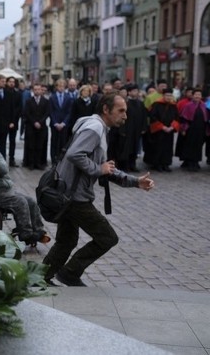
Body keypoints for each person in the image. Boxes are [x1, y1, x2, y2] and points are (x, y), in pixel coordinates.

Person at [43, 92, 155, 287]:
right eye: (121, 111)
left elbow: (106, 167)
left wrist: (135, 181)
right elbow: (74, 154)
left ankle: (40, 277)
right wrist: (97, 169)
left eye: (126, 111)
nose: (125, 116)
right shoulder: (95, 127)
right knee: (107, 237)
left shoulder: (98, 127)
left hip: (68, 193)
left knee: (67, 240)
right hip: (74, 196)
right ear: (106, 109)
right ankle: (69, 273)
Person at [147, 88, 179, 172]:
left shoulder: (173, 105)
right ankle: (157, 164)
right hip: (159, 131)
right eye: (167, 95)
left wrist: (172, 127)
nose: (168, 97)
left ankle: (166, 164)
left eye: (170, 95)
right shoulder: (156, 104)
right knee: (158, 147)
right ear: (163, 95)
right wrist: (162, 127)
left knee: (168, 148)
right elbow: (153, 117)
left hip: (169, 131)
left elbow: (177, 117)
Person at [179, 89, 210, 171]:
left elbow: (206, 118)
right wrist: (184, 129)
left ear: (201, 96)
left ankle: (196, 161)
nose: (197, 96)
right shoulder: (188, 105)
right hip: (190, 129)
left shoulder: (204, 105)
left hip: (201, 130)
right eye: (196, 94)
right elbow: (183, 119)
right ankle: (190, 162)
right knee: (190, 146)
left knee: (198, 146)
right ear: (192, 96)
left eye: (199, 95)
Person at [22, 83, 50, 170]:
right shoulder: (29, 101)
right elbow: (27, 113)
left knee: (39, 145)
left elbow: (47, 113)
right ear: (33, 90)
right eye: (35, 89)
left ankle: (38, 163)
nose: (37, 91)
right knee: (31, 145)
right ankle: (31, 163)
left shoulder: (45, 101)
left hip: (42, 127)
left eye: (39, 89)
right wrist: (34, 122)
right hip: (31, 126)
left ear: (41, 90)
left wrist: (40, 122)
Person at [49, 79, 73, 165]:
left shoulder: (68, 97)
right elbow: (51, 111)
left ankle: (61, 159)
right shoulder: (52, 97)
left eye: (63, 86)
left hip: (64, 124)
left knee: (63, 142)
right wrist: (55, 123)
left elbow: (69, 112)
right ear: (56, 87)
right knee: (54, 142)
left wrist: (63, 123)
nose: (61, 88)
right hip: (54, 124)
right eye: (59, 86)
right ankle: (53, 159)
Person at [5, 76, 22, 167]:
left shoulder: (18, 94)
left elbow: (19, 108)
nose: (12, 83)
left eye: (13, 82)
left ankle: (12, 159)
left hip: (14, 122)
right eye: (10, 81)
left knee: (12, 141)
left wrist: (13, 120)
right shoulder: (4, 92)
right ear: (7, 83)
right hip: (4, 121)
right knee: (2, 141)